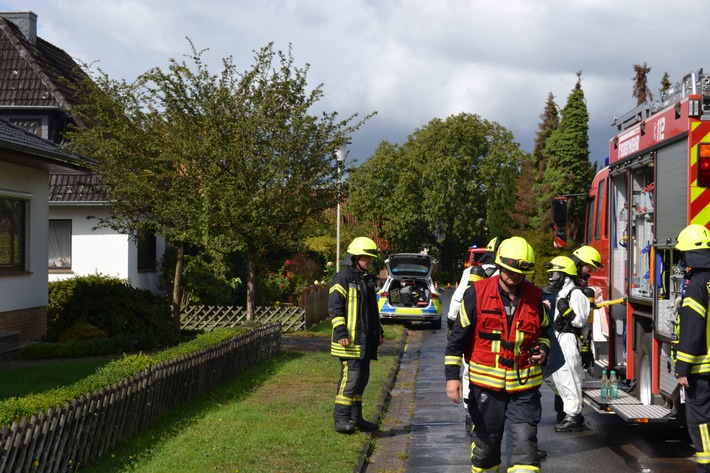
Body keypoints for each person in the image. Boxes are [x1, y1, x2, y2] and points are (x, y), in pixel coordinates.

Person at [445, 236, 552, 472]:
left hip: (524, 389)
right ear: (500, 266)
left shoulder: (535, 297)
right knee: (485, 451)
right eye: (510, 270)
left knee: (526, 450)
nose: (514, 276)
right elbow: (457, 339)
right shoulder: (476, 294)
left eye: (519, 272)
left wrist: (543, 350)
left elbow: (544, 333)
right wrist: (452, 377)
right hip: (486, 389)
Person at [329, 236, 384, 434]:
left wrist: (379, 332)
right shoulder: (343, 277)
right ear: (354, 257)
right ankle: (341, 419)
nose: (368, 262)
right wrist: (341, 332)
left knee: (362, 379)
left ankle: (355, 418)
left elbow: (371, 311)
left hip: (364, 340)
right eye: (365, 258)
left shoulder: (366, 280)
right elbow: (335, 307)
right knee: (350, 379)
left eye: (370, 259)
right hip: (349, 341)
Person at [447, 237, 499, 433]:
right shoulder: (504, 275)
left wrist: (452, 326)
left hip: (469, 328)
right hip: (494, 333)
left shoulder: (470, 272)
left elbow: (457, 301)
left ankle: (471, 414)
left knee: (469, 370)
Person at [674, 224, 710, 473]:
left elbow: (692, 331)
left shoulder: (697, 286)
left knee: (700, 418)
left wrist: (682, 367)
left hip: (702, 366)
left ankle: (706, 465)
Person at [545, 256, 591, 432]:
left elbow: (580, 321)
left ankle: (573, 416)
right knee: (559, 377)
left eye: (556, 274)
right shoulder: (560, 294)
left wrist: (568, 311)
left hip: (569, 339)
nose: (553, 278)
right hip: (558, 338)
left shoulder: (577, 294)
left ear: (566, 275)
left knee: (569, 376)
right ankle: (571, 413)